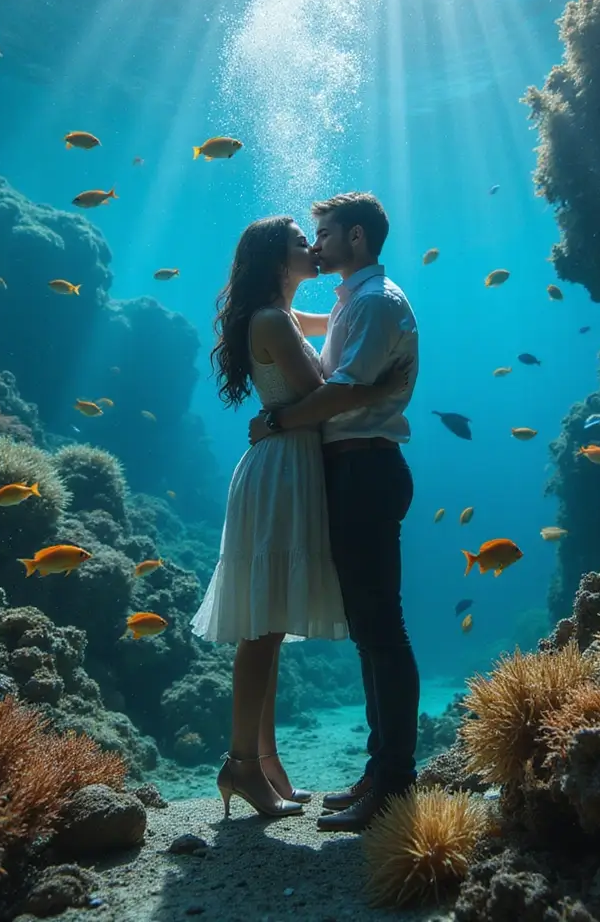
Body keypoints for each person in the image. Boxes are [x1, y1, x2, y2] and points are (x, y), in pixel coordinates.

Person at [191, 214, 406, 822]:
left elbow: (333, 326)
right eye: (297, 243)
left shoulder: (282, 317)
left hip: (284, 467)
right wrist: (384, 387)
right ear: (274, 259)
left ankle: (262, 759)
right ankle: (239, 763)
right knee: (262, 628)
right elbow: (320, 395)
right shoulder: (270, 321)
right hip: (281, 469)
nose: (310, 247)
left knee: (271, 622)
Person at [249, 192, 420, 833]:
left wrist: (277, 421)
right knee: (370, 628)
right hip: (351, 470)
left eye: (322, 234)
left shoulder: (376, 302)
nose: (315, 245)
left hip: (368, 469)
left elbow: (343, 391)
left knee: (383, 628)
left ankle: (396, 782)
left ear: (355, 237)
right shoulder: (352, 298)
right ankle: (380, 772)